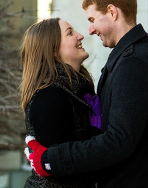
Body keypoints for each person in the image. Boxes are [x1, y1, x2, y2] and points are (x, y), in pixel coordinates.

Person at [26, 0, 148, 188]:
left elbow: (117, 141)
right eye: (71, 32)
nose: (88, 31)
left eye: (92, 19)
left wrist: (50, 159)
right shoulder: (122, 61)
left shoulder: (133, 62)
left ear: (112, 12)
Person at [21, 18, 102, 188]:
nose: (80, 36)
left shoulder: (75, 90)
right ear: (53, 52)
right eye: (70, 33)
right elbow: (57, 172)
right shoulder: (49, 97)